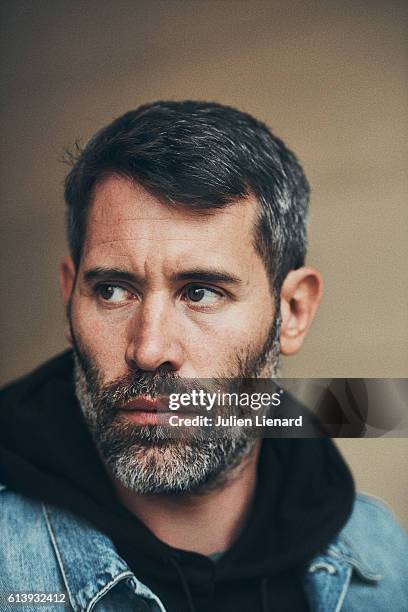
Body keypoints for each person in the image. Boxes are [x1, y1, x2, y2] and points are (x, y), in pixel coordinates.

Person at [0, 100, 407, 612]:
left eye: (200, 292)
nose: (148, 350)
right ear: (69, 298)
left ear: (294, 311)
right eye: (111, 291)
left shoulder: (381, 558)